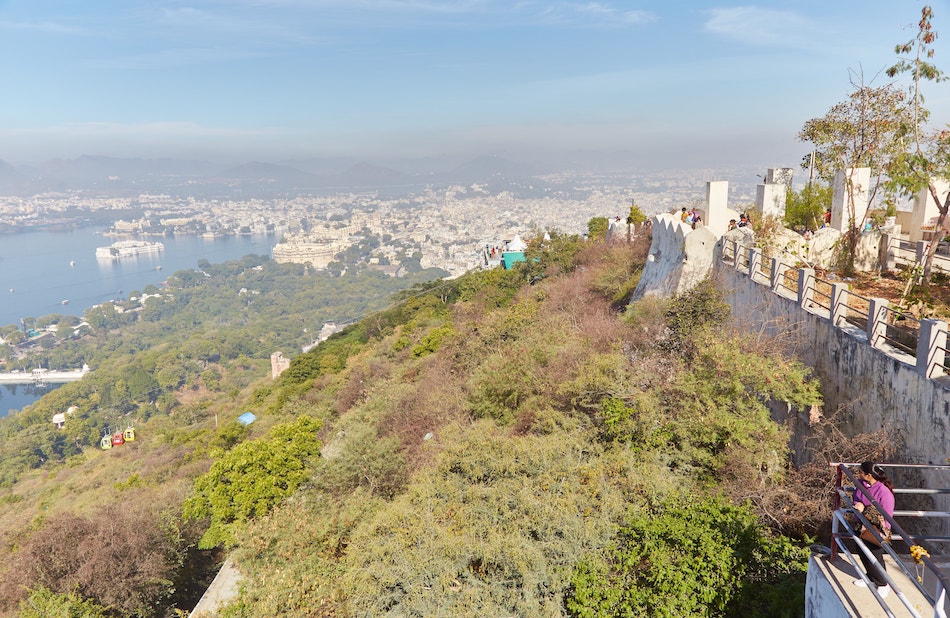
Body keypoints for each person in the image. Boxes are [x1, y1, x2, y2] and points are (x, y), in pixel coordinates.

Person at [852, 461, 895, 597]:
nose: (859, 474)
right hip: (862, 525)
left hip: (877, 529)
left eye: (861, 472)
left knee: (875, 555)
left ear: (869, 475)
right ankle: (870, 577)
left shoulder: (884, 492)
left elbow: (886, 515)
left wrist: (864, 509)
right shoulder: (861, 485)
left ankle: (883, 583)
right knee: (862, 551)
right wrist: (856, 505)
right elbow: (855, 498)